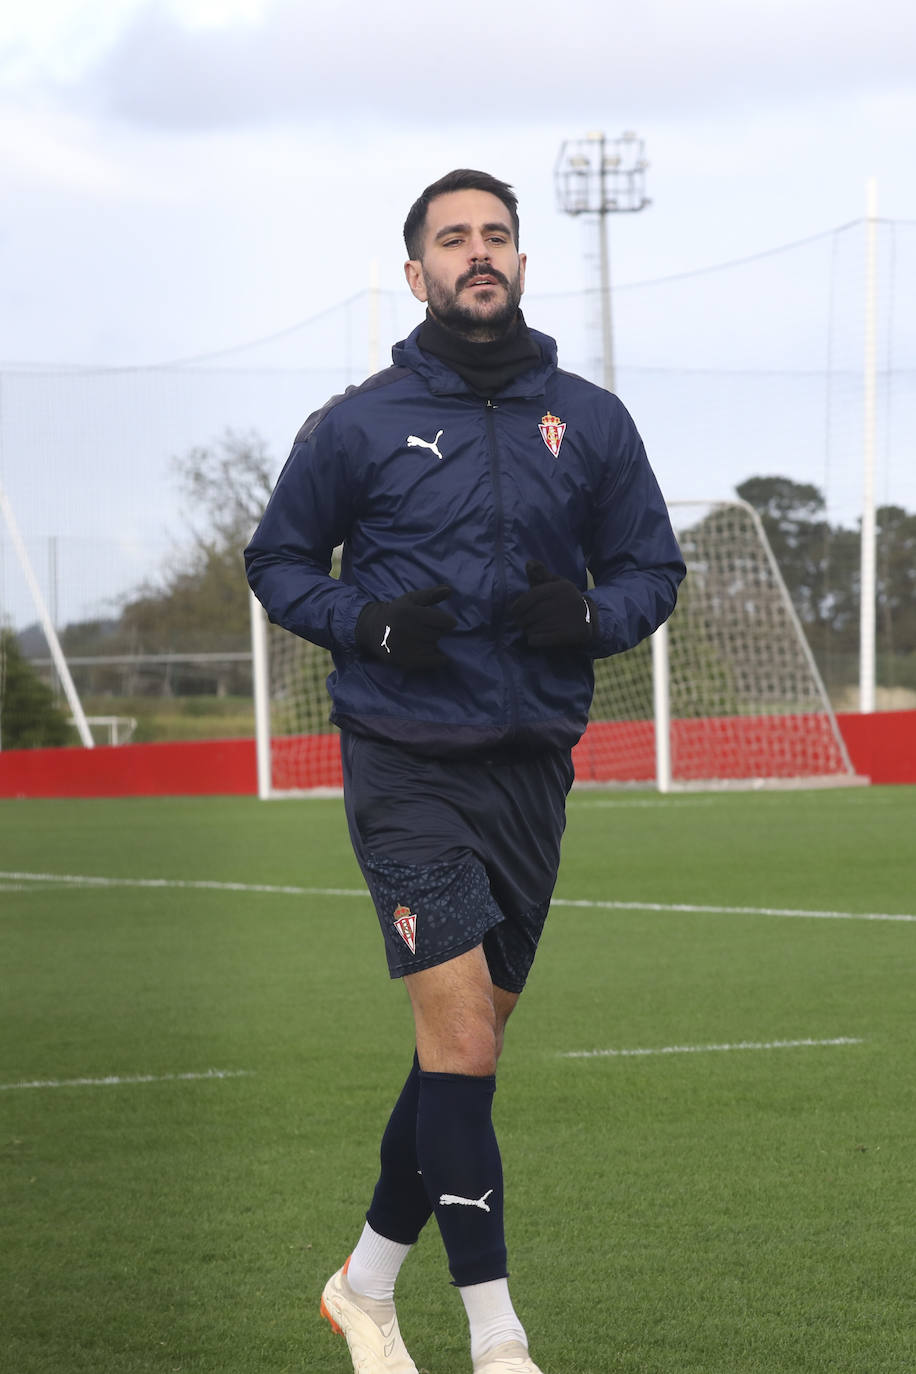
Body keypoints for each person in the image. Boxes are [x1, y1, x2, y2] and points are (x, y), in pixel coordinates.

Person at [245, 168, 685, 1374]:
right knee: (464, 1048)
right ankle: (499, 1341)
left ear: (522, 262)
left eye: (496, 236)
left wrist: (587, 619)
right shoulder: (357, 421)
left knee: (463, 1054)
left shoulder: (590, 420)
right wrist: (366, 624)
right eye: (453, 239)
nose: (477, 253)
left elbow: (654, 570)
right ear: (415, 272)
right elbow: (279, 559)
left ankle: (363, 1286)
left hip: (532, 766)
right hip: (403, 762)